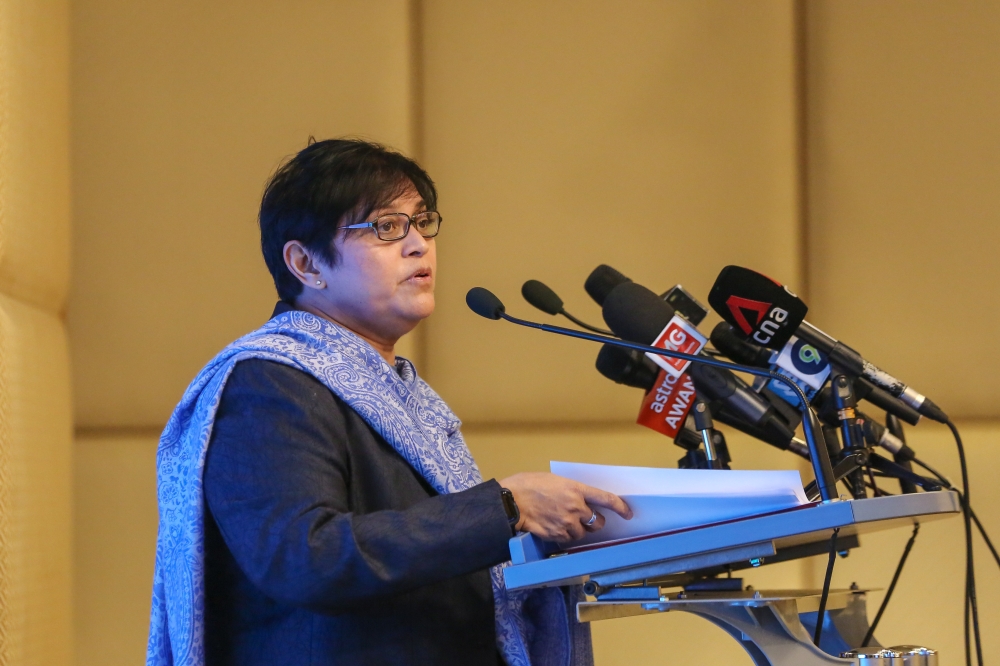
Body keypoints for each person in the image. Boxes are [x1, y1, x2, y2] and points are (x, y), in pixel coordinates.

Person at [146, 139, 632, 666]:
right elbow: (306, 557)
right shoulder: (267, 383)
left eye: (422, 222)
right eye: (386, 227)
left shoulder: (396, 390)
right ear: (306, 264)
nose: (419, 244)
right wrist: (506, 509)